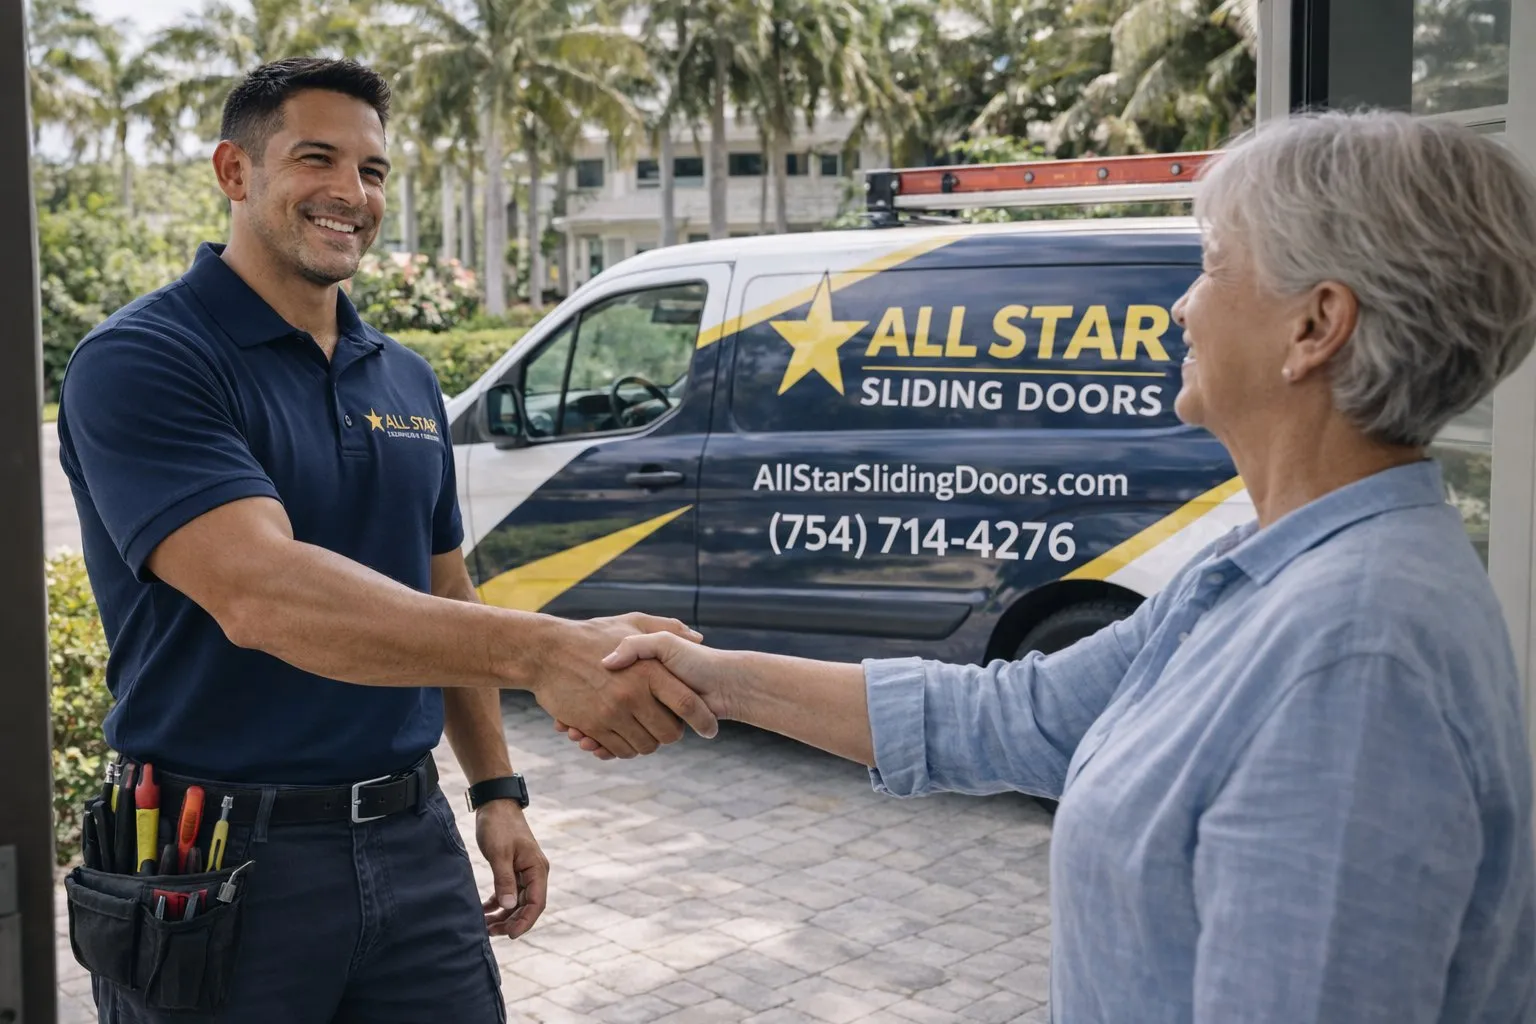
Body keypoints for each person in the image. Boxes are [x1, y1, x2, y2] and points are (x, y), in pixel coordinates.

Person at [574, 110, 1536, 1022]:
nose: (1182, 304)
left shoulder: (1355, 658)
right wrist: (716, 680)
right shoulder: (1261, 572)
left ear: (1315, 326)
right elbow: (1015, 716)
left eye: (1211, 267)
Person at [56, 57, 716, 1023]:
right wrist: (548, 651)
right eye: (316, 159)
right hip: (214, 856)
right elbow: (262, 595)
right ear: (234, 173)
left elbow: (446, 590)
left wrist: (496, 788)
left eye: (371, 171)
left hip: (412, 841)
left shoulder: (403, 378)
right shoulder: (145, 360)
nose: (351, 194)